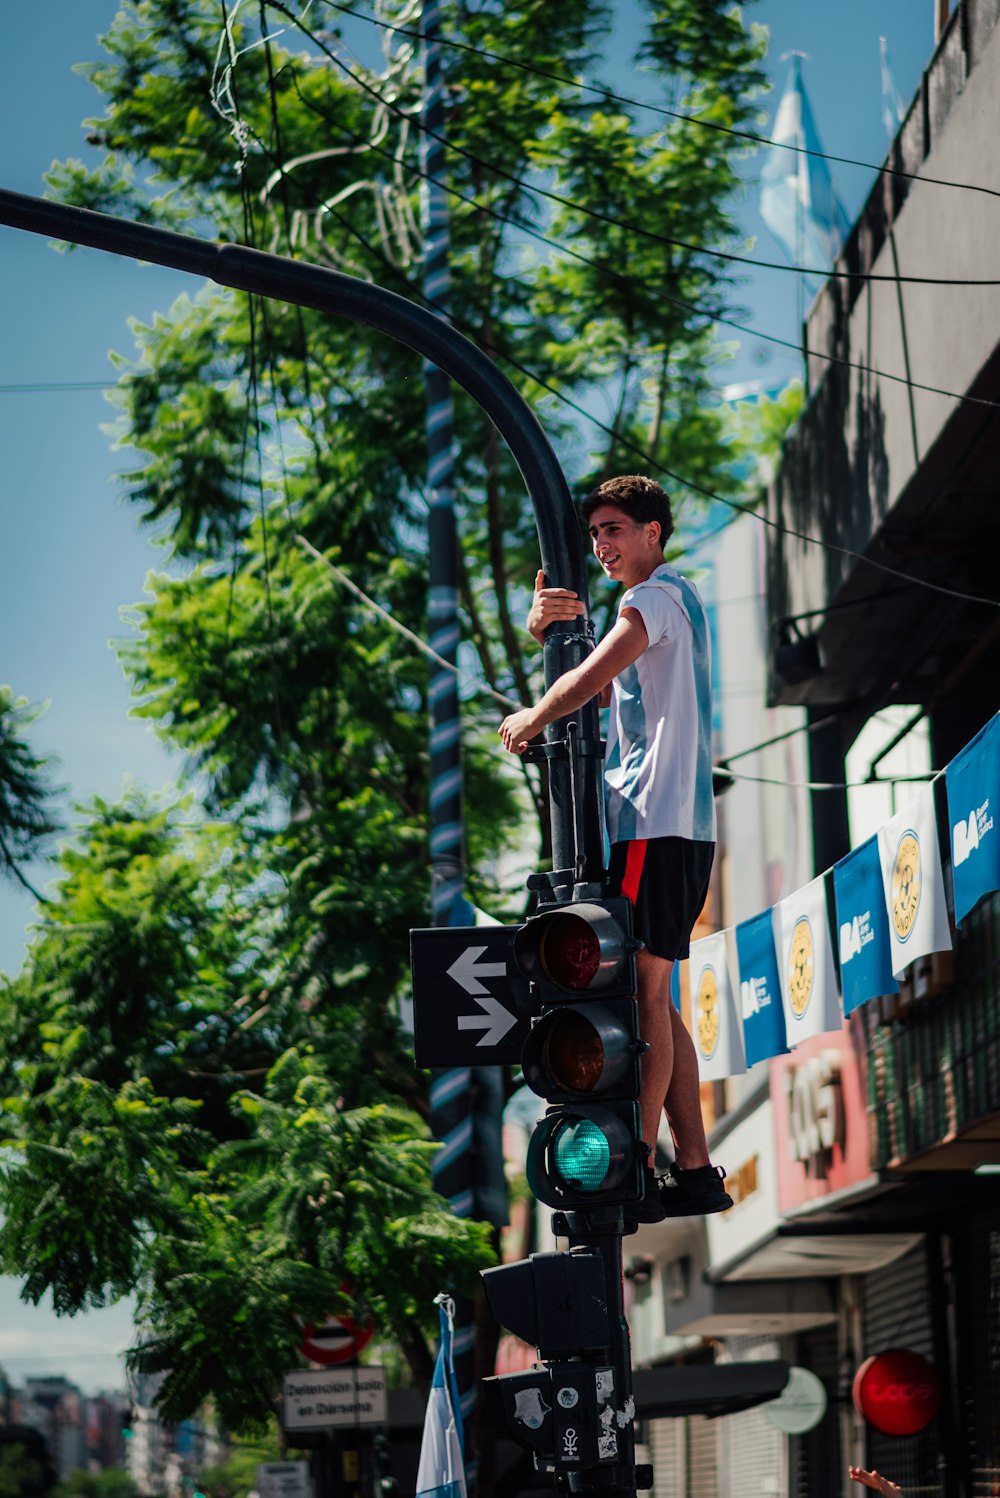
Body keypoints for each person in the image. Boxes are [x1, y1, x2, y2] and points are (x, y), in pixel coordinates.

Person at [498, 474, 731, 1221]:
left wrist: (531, 714)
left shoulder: (652, 599)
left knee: (643, 994)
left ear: (652, 533)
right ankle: (693, 1170)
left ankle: (634, 1161)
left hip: (655, 821)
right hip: (681, 825)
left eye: (614, 530)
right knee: (656, 997)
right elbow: (605, 688)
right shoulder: (680, 602)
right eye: (595, 533)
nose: (601, 545)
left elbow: (591, 678)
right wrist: (546, 636)